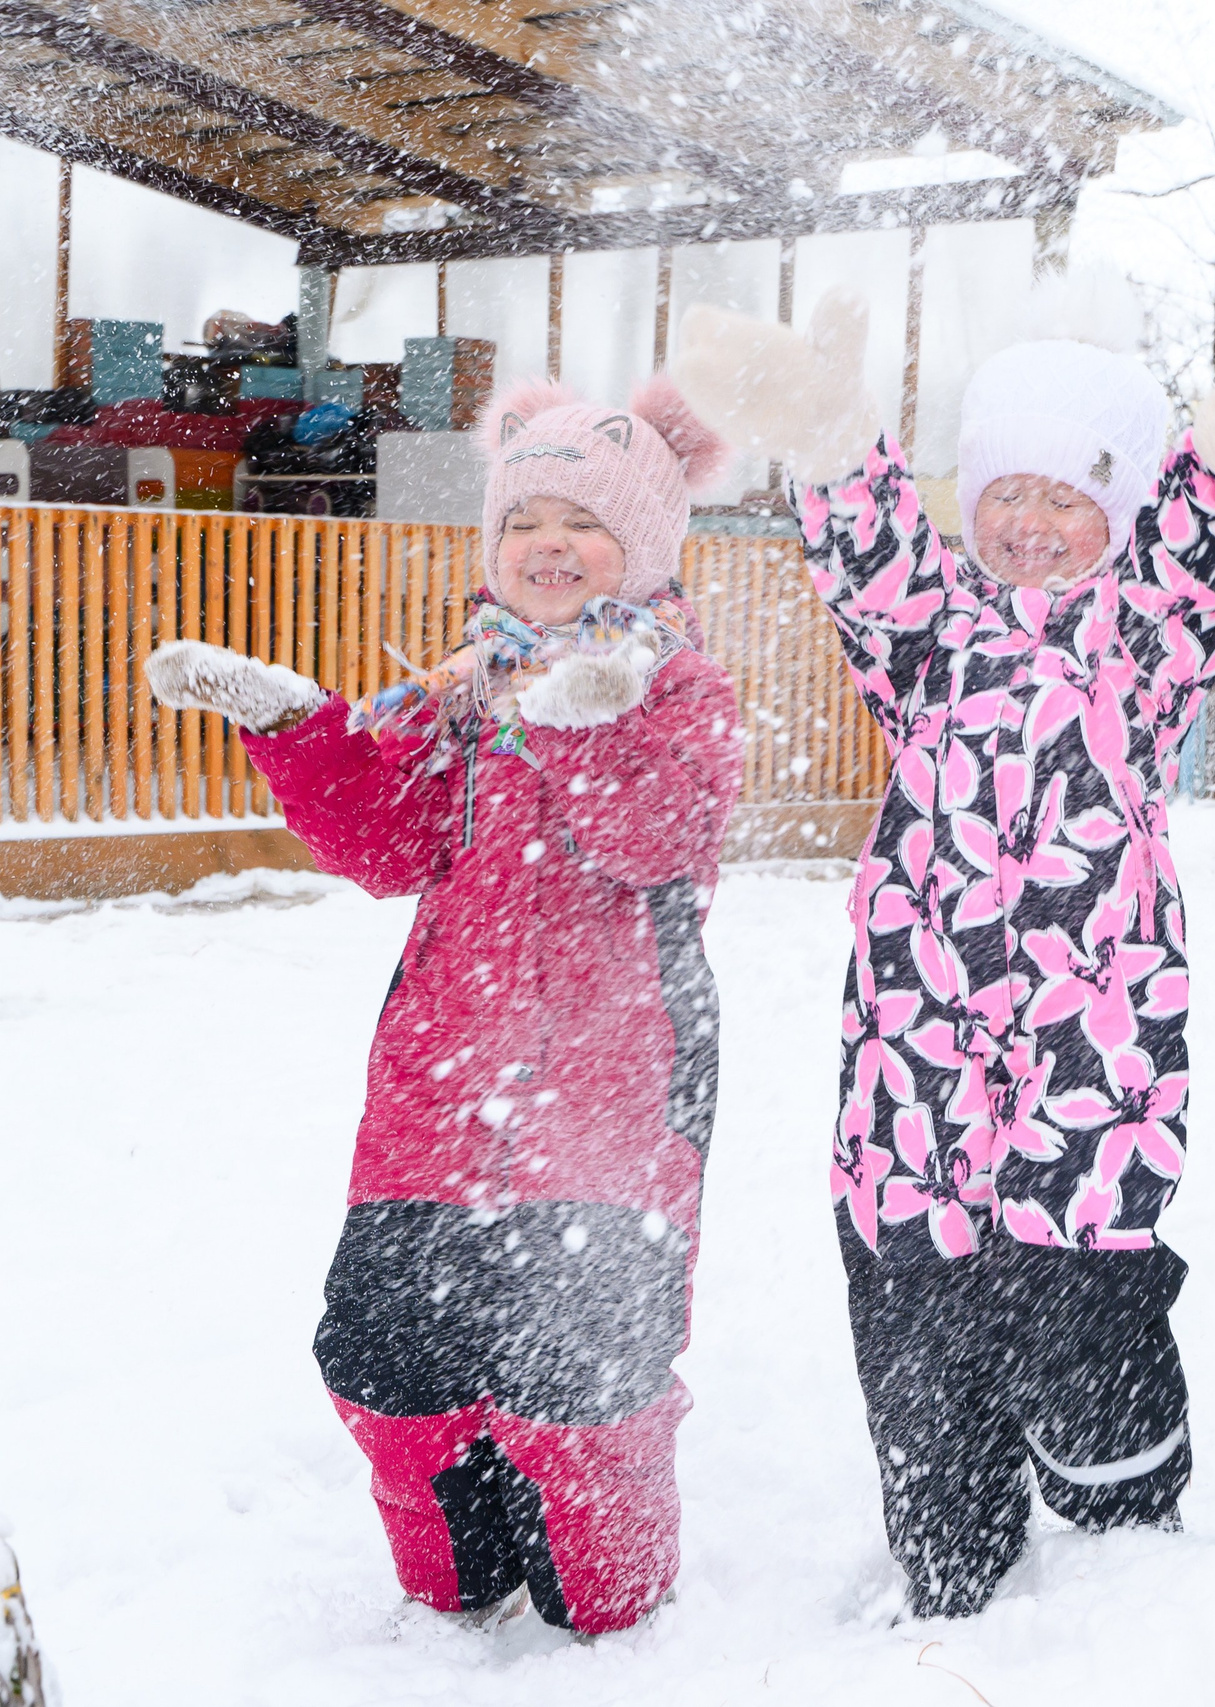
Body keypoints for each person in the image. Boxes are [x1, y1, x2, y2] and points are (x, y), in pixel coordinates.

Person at [672, 276, 1215, 1617]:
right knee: (919, 1325)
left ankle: (1123, 1537)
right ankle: (950, 1554)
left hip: (1094, 1060)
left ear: (1114, 511)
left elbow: (1201, 552)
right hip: (916, 1068)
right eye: (1005, 489)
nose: (1027, 519)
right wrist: (835, 446)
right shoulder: (932, 635)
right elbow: (870, 552)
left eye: (1067, 495)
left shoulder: (1143, 641)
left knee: (1086, 1328)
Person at [144, 379, 742, 1634]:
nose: (549, 541)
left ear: (640, 546)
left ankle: (607, 1602)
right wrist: (299, 729)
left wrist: (580, 724)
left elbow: (657, 834)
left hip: (610, 1095)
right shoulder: (466, 688)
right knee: (387, 1365)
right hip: (439, 1081)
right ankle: (454, 1584)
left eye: (586, 517)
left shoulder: (679, 687)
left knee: (582, 1387)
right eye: (527, 515)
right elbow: (386, 843)